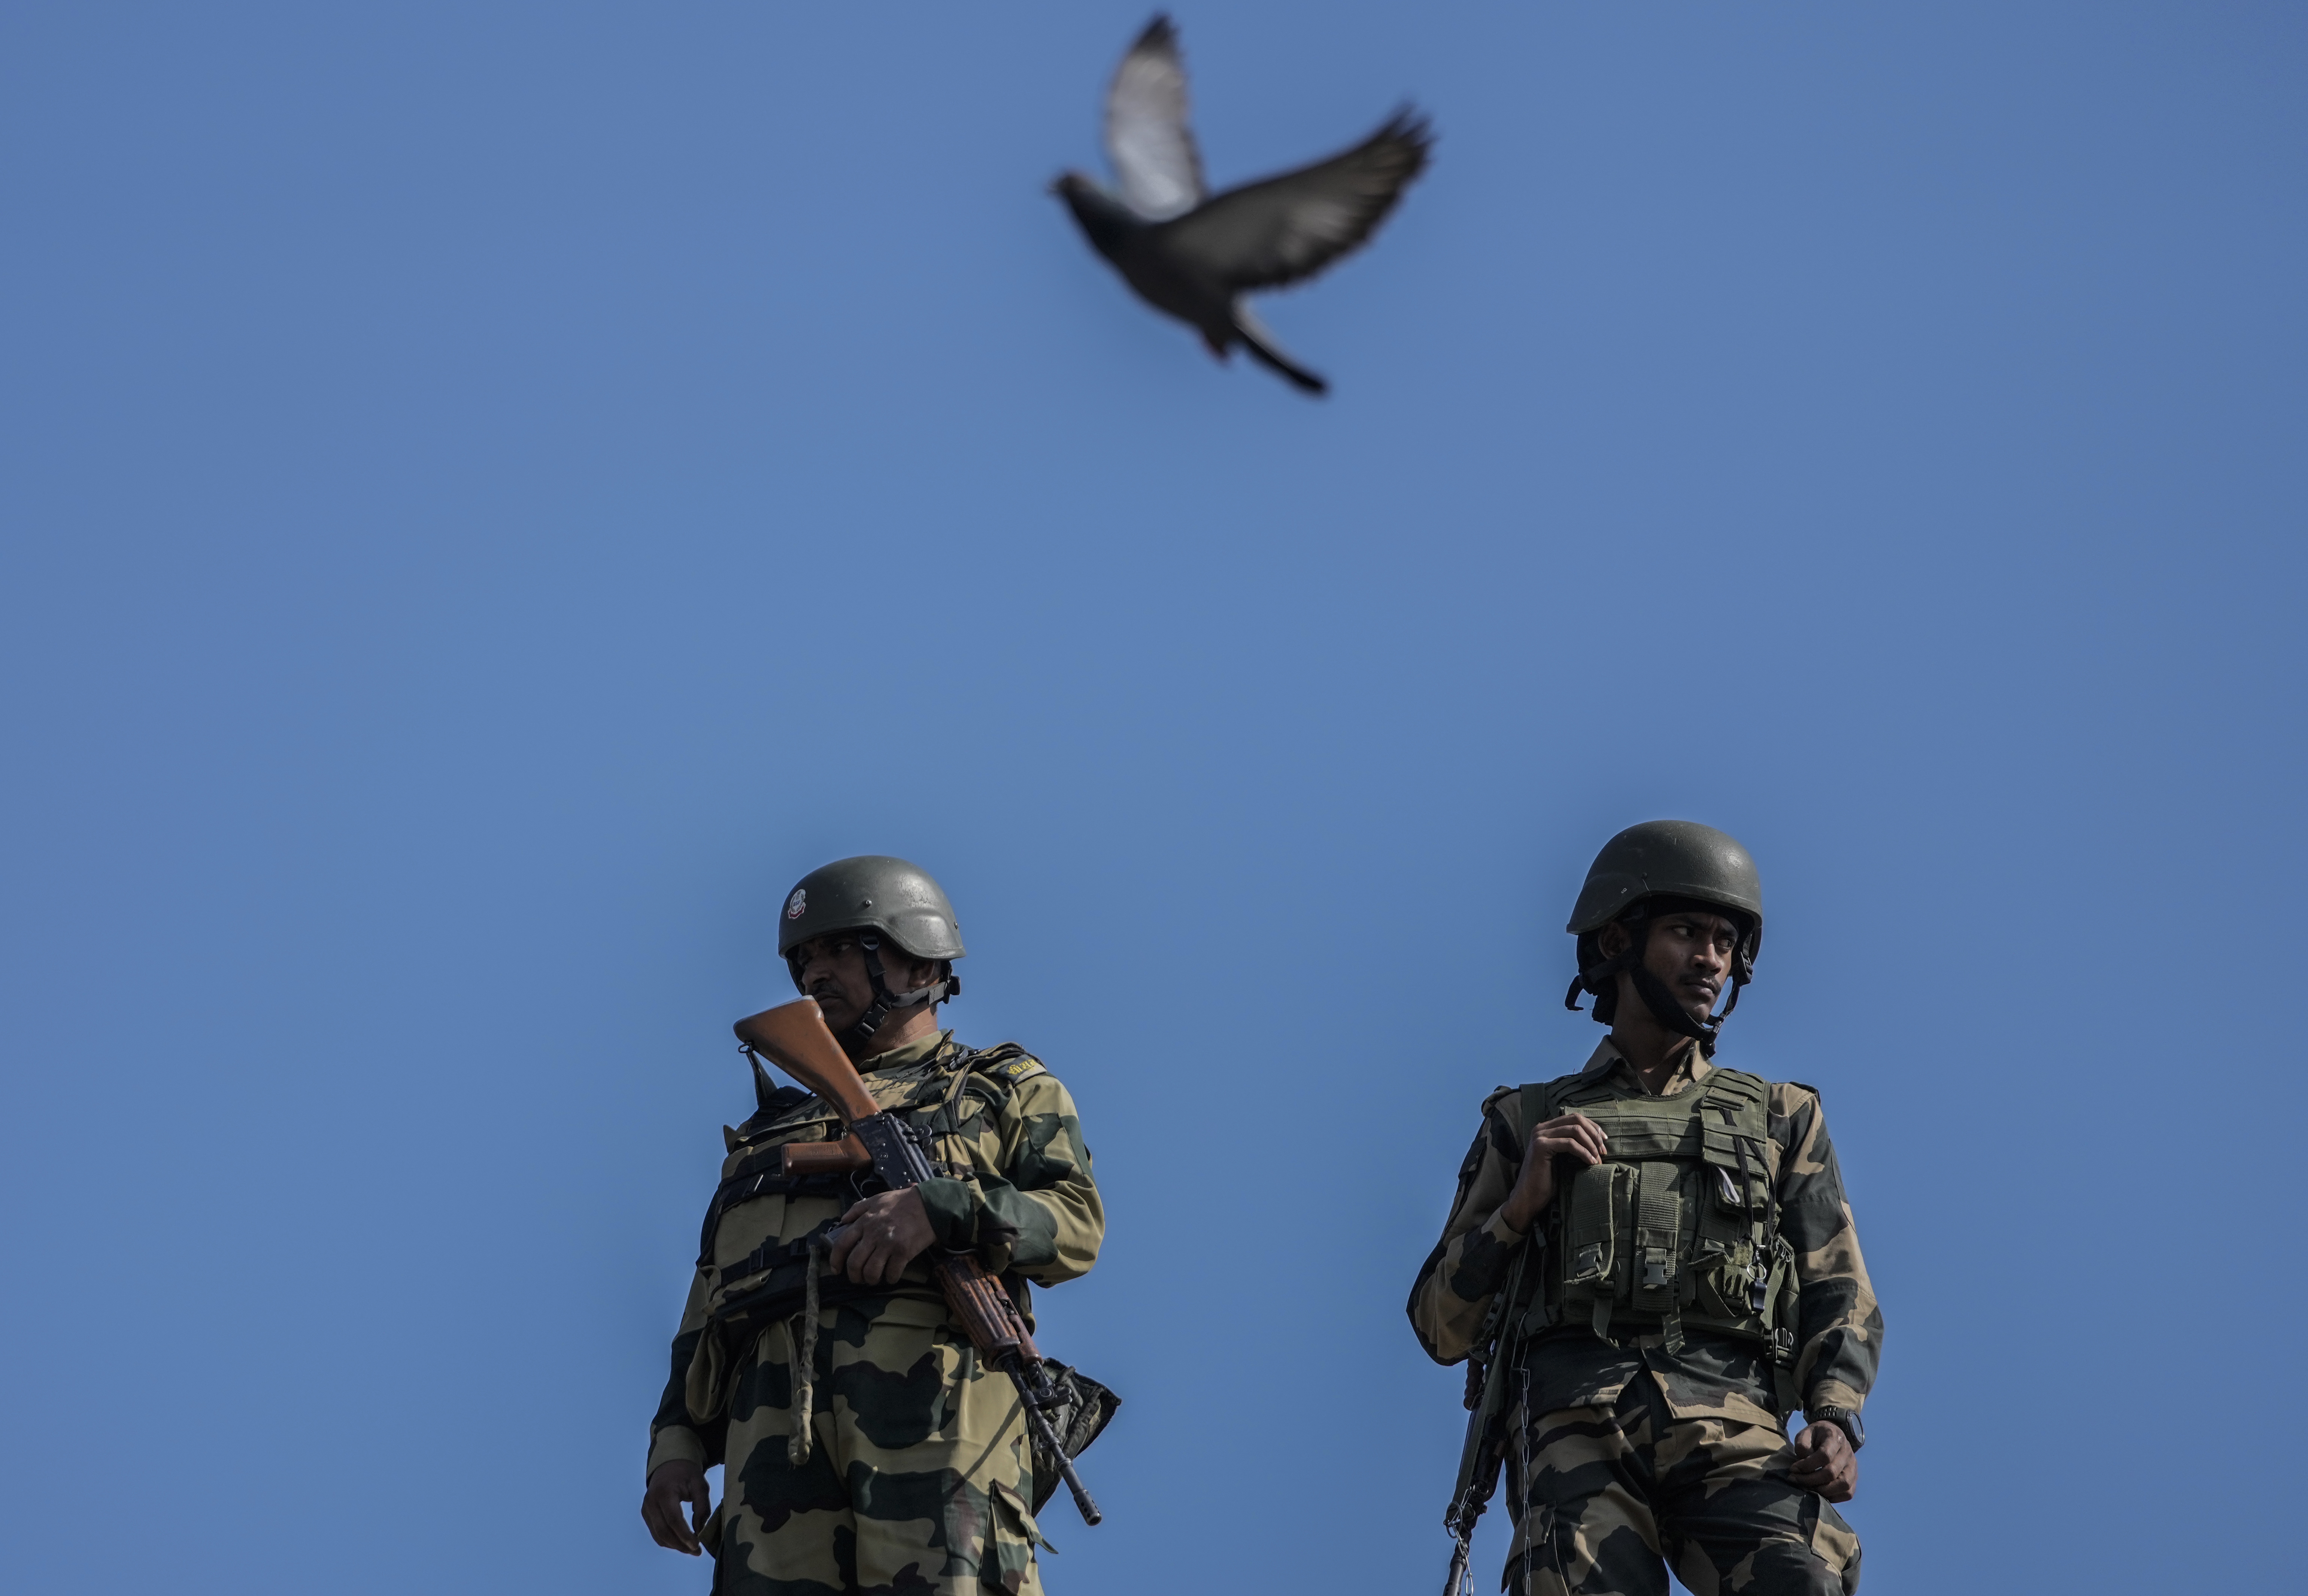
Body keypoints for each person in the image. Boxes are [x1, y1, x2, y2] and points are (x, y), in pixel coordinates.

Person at [1409, 821, 1881, 1596]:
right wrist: (1519, 1207)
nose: (1710, 959)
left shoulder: (1779, 1118)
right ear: (1618, 942)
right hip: (1574, 1429)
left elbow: (1839, 1286)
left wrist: (1835, 1416)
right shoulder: (1525, 1120)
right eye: (1686, 931)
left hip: (1735, 1427)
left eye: (1726, 941)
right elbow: (1439, 1323)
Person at [642, 855, 1105, 1596]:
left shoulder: (1000, 1087)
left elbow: (1076, 1224)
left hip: (935, 1428)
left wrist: (940, 1208)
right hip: (772, 1455)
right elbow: (710, 1302)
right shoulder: (769, 1133)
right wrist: (675, 1446)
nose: (815, 972)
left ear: (915, 956)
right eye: (805, 957)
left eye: (839, 948)